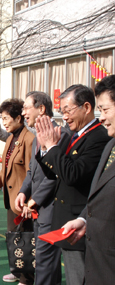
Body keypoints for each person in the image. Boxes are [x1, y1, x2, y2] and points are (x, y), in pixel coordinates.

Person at [35, 84, 110, 285]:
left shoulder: (99, 137)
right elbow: (54, 173)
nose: (65, 117)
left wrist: (52, 147)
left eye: (68, 111)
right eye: (62, 112)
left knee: (79, 278)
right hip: (69, 221)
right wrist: (45, 149)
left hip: (81, 222)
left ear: (86, 107)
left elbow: (73, 175)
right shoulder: (75, 135)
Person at [62, 75, 115, 285]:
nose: (101, 117)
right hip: (98, 259)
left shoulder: (100, 138)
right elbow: (100, 192)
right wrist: (84, 219)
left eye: (105, 109)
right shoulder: (111, 145)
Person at [14, 92, 68, 285]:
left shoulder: (60, 134)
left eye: (27, 107)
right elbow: (32, 170)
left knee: (45, 264)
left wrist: (33, 200)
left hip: (52, 209)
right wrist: (23, 192)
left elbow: (54, 176)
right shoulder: (38, 136)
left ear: (41, 109)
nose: (23, 112)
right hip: (38, 210)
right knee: (45, 263)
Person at [0, 98, 35, 284]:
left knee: (25, 239)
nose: (4, 123)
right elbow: (5, 168)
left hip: (23, 201)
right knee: (14, 237)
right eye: (3, 119)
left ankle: (26, 278)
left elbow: (33, 173)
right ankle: (17, 271)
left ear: (18, 118)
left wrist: (29, 200)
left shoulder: (29, 140)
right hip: (11, 198)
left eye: (7, 118)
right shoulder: (11, 138)